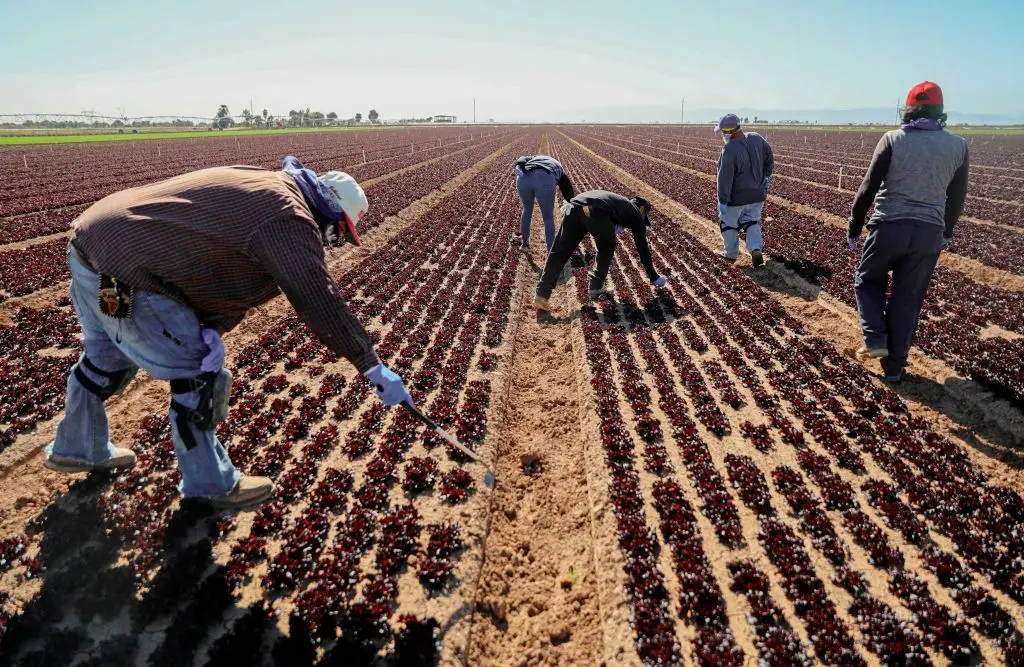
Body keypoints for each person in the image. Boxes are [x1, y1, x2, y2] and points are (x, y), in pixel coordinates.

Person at [43, 156, 414, 509]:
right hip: (129, 270)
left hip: (92, 244)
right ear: (330, 216)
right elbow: (316, 296)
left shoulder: (270, 187)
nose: (334, 245)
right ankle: (210, 485)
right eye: (340, 235)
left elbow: (213, 264)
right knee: (198, 377)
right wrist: (370, 364)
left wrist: (211, 327)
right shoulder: (287, 218)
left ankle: (77, 447)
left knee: (105, 359)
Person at [847, 81, 969, 383]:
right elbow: (957, 198)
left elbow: (868, 189)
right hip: (928, 232)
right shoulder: (958, 146)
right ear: (940, 112)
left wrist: (854, 226)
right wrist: (946, 232)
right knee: (907, 298)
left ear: (908, 109)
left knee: (867, 281)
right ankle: (895, 367)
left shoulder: (893, 139)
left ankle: (875, 338)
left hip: (889, 225)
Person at [534, 191, 668, 310]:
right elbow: (642, 248)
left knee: (560, 250)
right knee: (606, 247)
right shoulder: (636, 213)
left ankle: (541, 295)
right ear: (643, 209)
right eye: (645, 216)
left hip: (574, 206)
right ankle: (596, 287)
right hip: (595, 209)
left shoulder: (621, 204)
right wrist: (654, 277)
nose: (644, 220)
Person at [714, 114, 773, 267]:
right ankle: (755, 249)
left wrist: (723, 200)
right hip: (757, 195)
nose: (722, 135)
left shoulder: (729, 149)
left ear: (728, 132)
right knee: (752, 222)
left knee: (728, 224)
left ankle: (730, 255)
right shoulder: (757, 138)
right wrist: (765, 177)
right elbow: (769, 159)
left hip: (736, 198)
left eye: (722, 132)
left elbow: (724, 178)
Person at [514, 154, 576, 252]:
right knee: (548, 217)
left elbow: (520, 162)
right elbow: (567, 190)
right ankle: (550, 251)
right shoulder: (558, 166)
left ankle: (524, 244)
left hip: (523, 178)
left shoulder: (532, 159)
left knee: (526, 211)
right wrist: (572, 203)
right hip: (545, 178)